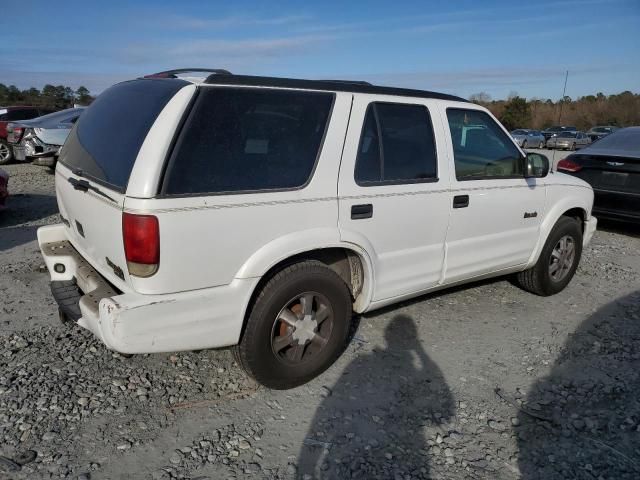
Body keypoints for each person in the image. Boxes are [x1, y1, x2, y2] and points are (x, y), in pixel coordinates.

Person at [297, 314, 454, 479]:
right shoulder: (366, 362)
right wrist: (421, 352)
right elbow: (445, 416)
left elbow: (325, 409)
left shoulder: (360, 362)